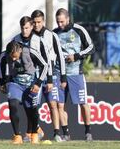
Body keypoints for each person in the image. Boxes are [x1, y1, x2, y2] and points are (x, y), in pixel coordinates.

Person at [53, 8, 95, 141]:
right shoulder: (54, 33)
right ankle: (66, 133)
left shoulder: (79, 30)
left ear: (68, 19)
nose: (60, 25)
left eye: (62, 21)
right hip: (59, 73)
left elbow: (91, 48)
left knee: (83, 103)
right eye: (58, 22)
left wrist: (76, 56)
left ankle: (88, 132)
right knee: (60, 105)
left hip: (76, 73)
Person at [0, 41, 48, 144]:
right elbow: (2, 67)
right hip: (15, 83)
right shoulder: (5, 55)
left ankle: (34, 134)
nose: (13, 59)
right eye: (11, 56)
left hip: (31, 84)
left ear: (20, 50)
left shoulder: (30, 52)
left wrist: (38, 83)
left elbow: (45, 65)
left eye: (15, 56)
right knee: (12, 104)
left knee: (32, 110)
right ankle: (17, 136)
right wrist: (2, 82)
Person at [31, 10, 67, 142]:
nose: (36, 25)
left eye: (39, 22)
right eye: (34, 22)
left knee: (53, 104)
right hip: (35, 75)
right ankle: (36, 130)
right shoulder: (30, 36)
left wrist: (63, 77)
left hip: (52, 75)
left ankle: (57, 133)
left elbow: (61, 57)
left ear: (43, 21)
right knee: (33, 105)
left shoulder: (51, 35)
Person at [12, 16, 49, 141]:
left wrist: (47, 79)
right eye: (22, 28)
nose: (24, 30)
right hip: (20, 79)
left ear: (32, 27)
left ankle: (32, 132)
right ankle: (35, 129)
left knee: (32, 106)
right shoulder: (15, 40)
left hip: (37, 78)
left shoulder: (39, 40)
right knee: (25, 106)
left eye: (27, 28)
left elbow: (46, 61)